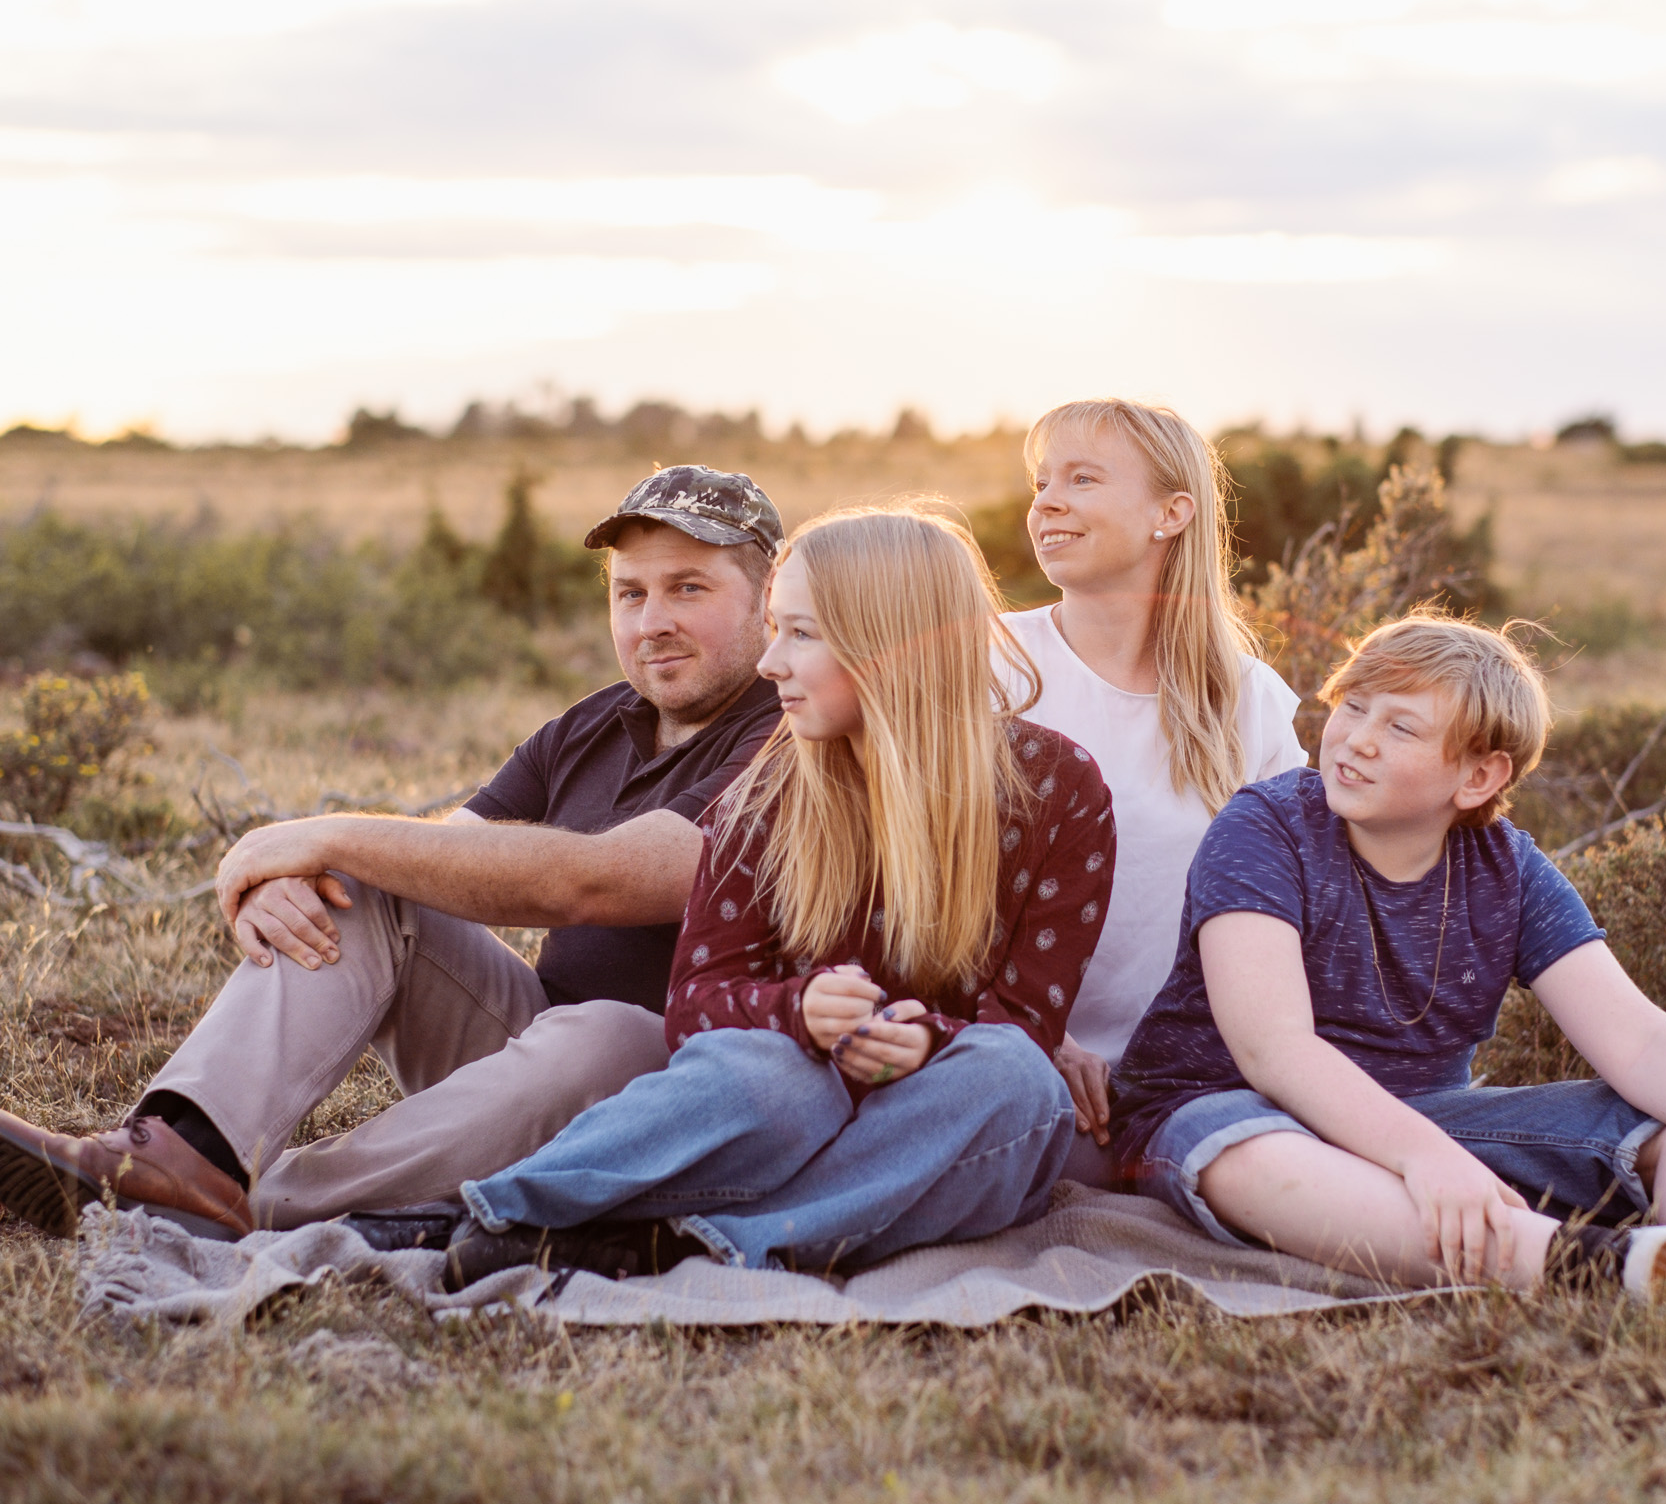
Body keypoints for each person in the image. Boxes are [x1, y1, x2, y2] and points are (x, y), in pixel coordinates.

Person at [1109, 610, 1666, 1300]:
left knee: (1646, 1120)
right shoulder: (1265, 826)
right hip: (1222, 1114)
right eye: (1353, 705)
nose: (1356, 738)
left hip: (1424, 1115)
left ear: (1479, 777)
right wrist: (1426, 1159)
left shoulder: (1507, 869)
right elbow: (1275, 1050)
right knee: (1257, 1159)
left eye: (1403, 728)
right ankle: (1590, 1266)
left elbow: (1640, 1043)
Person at [0, 466, 786, 1239]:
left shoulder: (790, 732)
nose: (652, 622)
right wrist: (300, 874)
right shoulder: (592, 724)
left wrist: (328, 833)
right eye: (630, 593)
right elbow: (444, 857)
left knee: (607, 1031)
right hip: (541, 1056)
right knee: (367, 886)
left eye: (689, 588)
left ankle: (266, 1202)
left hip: (688, 1094)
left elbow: (602, 884)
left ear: (769, 598)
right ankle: (186, 1152)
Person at [439, 506, 1116, 1285]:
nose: (769, 664)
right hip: (794, 1095)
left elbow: (1027, 1024)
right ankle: (509, 1211)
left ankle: (694, 1243)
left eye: (801, 633)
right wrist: (801, 1014)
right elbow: (695, 999)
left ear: (889, 644)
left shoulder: (1057, 791)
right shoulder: (770, 785)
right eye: (774, 628)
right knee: (768, 1068)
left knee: (1015, 1084)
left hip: (937, 1110)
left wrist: (926, 1039)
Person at [997, 399, 1304, 1184]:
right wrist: (1033, 1037)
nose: (1047, 502)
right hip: (1013, 1060)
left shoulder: (1249, 699)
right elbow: (918, 886)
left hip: (1195, 1079)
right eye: (1042, 482)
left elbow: (1300, 903)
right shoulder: (989, 666)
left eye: (1083, 479)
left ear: (1172, 513)